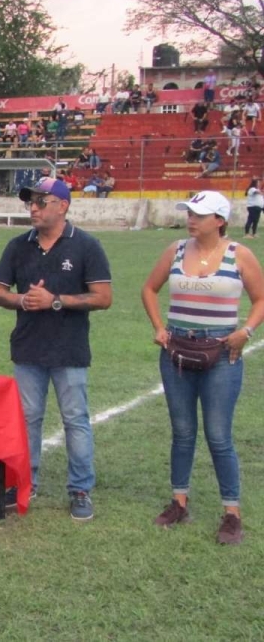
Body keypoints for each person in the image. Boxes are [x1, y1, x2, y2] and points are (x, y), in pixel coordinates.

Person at [141, 191, 264, 545]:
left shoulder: (240, 255)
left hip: (222, 353)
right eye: (189, 212)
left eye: (200, 214)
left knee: (218, 435)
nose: (191, 219)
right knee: (182, 431)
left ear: (220, 220)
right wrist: (158, 327)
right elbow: (149, 289)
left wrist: (246, 331)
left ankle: (231, 513)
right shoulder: (176, 250)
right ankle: (179, 502)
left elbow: (260, 299)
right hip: (177, 350)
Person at [0, 177, 112, 521]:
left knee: (75, 420)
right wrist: (22, 300)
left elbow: (103, 297)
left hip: (69, 350)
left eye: (41, 202)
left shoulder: (86, 245)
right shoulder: (17, 246)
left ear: (63, 205)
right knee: (27, 420)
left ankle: (80, 489)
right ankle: (26, 483)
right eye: (30, 202)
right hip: (28, 349)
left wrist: (55, 301)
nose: (33, 208)